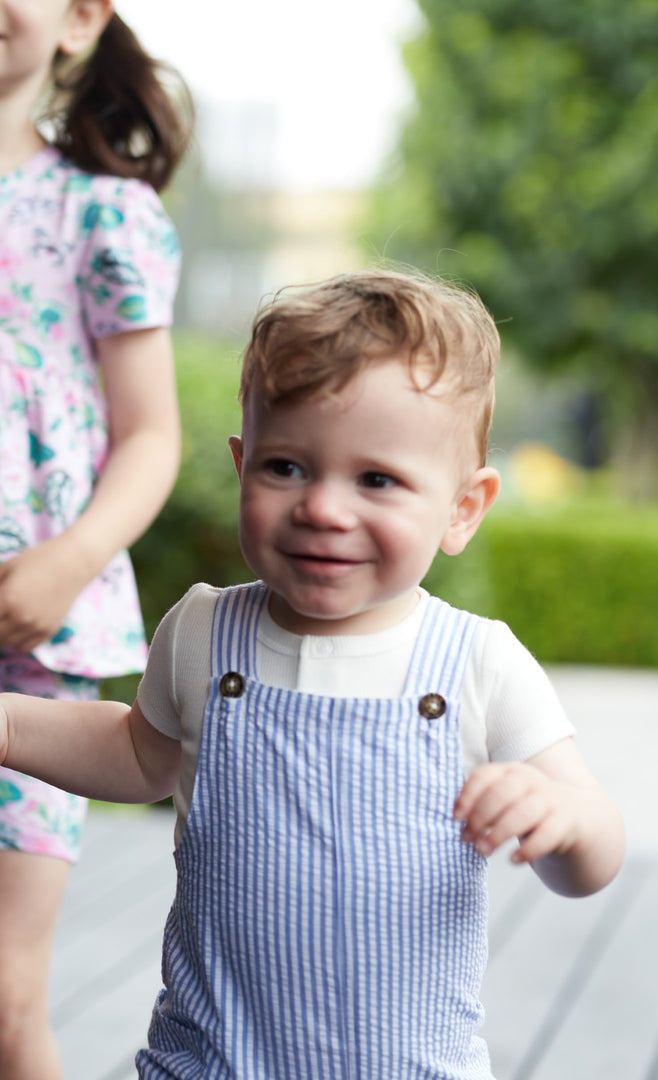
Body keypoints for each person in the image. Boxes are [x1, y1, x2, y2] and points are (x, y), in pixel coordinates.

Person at [0, 269, 625, 1080]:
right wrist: (13, 725)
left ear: (463, 508)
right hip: (209, 1062)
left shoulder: (476, 660)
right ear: (241, 463)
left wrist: (564, 818)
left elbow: (595, 855)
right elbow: (136, 755)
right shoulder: (203, 628)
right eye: (287, 467)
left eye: (376, 480)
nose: (324, 508)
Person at [0, 2, 192, 1077]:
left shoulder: (101, 215)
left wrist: (66, 562)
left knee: (3, 1002)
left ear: (78, 18)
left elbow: (151, 435)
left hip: (32, 650)